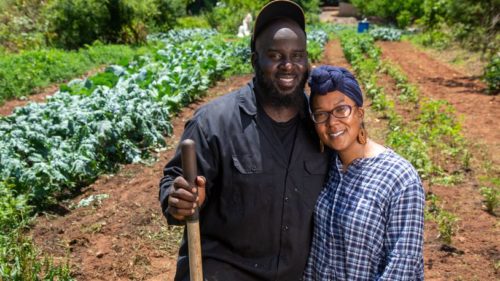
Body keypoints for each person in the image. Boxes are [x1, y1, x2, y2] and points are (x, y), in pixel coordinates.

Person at [158, 1, 330, 280]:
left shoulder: (320, 127)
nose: (288, 65)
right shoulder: (214, 122)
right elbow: (175, 182)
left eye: (297, 55)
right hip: (221, 272)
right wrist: (178, 200)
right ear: (254, 60)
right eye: (275, 55)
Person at [302, 65, 425, 280]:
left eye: (341, 110)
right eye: (321, 114)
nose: (332, 123)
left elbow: (402, 265)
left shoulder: (399, 178)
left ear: (360, 112)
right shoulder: (324, 166)